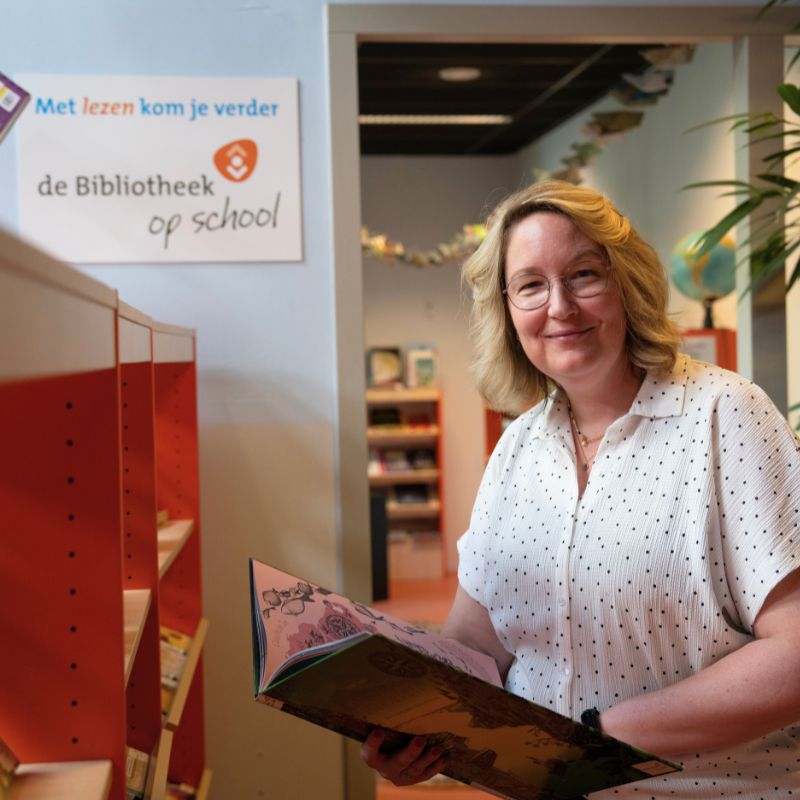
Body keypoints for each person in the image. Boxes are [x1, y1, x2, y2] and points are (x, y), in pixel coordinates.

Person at [361, 180, 800, 797]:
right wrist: (417, 722)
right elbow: (478, 642)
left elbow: (795, 654)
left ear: (628, 284)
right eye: (531, 285)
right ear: (507, 310)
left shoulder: (725, 415)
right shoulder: (517, 447)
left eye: (584, 275)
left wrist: (599, 737)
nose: (559, 306)